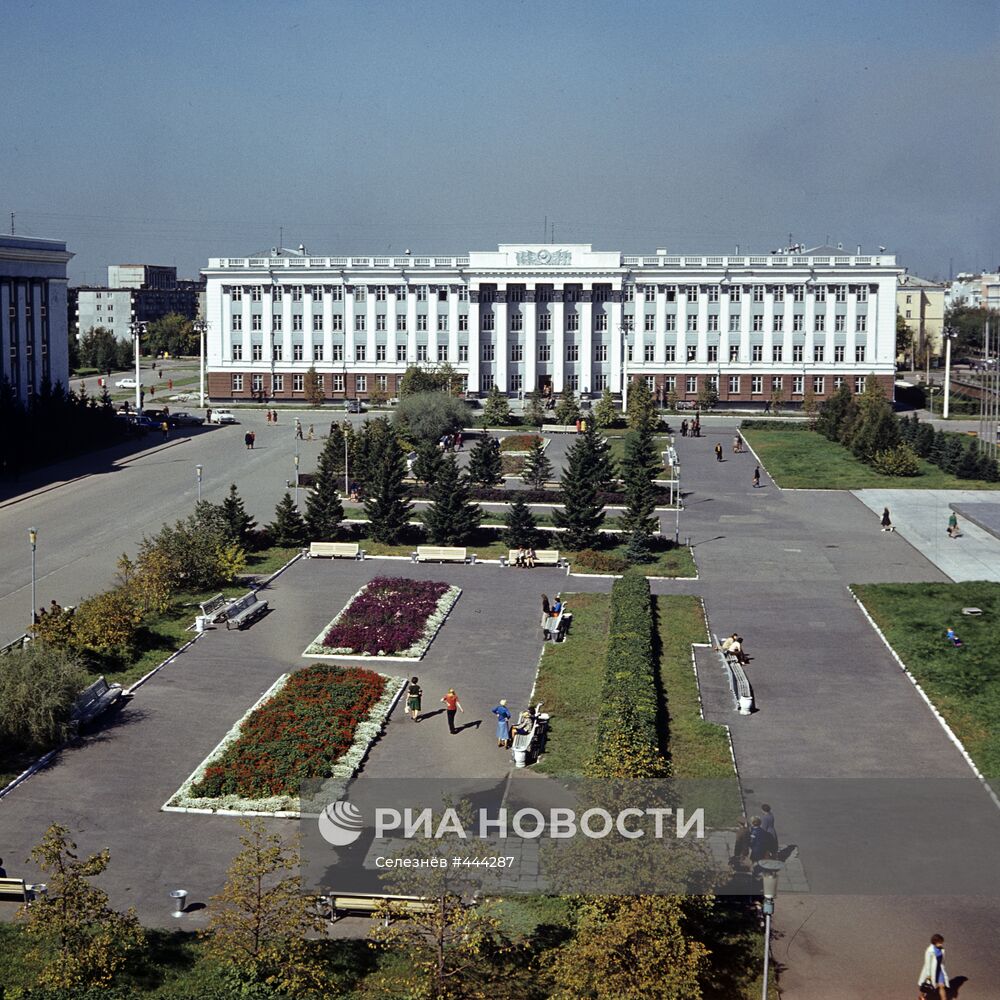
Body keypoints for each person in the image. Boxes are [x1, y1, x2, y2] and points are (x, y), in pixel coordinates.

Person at [917, 934, 949, 1000]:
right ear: (935, 942)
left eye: (941, 942)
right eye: (940, 943)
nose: (941, 944)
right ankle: (921, 996)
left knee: (942, 986)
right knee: (926, 986)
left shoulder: (942, 949)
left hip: (939, 970)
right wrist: (928, 975)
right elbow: (927, 963)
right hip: (931, 971)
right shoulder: (929, 950)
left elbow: (942, 961)